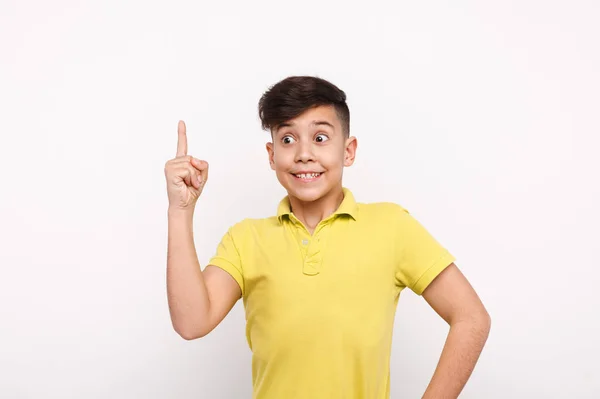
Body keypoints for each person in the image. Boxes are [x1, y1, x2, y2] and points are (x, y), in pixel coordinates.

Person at [164, 76, 491, 399]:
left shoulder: (392, 226)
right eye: (288, 139)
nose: (304, 154)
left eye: (320, 137)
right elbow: (192, 322)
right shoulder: (245, 239)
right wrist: (180, 210)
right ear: (271, 154)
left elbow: (471, 318)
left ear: (348, 151)